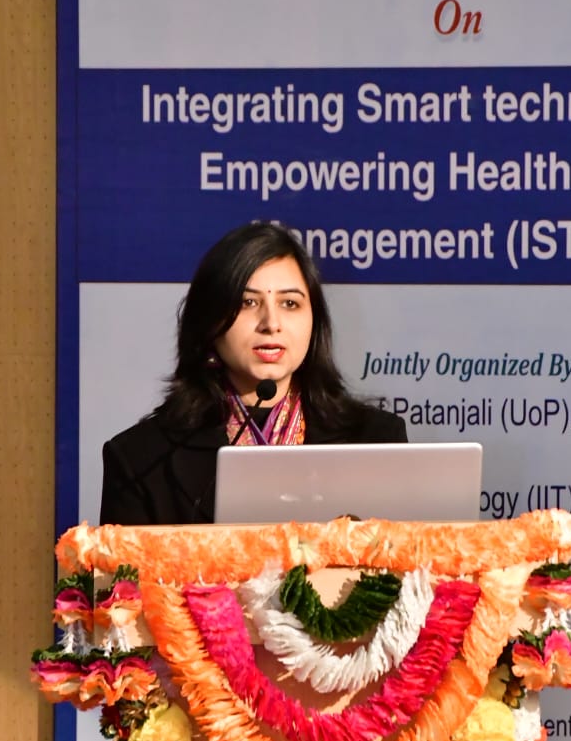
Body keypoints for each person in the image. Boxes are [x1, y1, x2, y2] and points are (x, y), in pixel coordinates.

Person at [100, 222, 407, 524]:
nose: (271, 323)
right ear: (209, 321)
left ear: (315, 322)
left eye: (290, 303)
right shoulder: (140, 460)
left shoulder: (377, 441)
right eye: (248, 302)